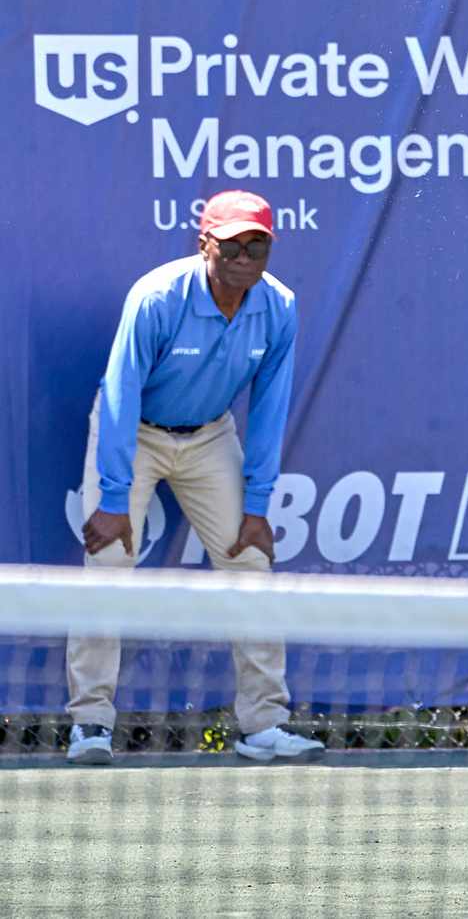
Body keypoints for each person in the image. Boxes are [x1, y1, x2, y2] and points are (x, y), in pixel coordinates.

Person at [66, 190, 324, 765]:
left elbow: (270, 408)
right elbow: (120, 393)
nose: (244, 257)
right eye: (232, 245)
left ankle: (263, 724)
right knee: (107, 566)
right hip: (134, 431)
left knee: (250, 562)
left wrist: (257, 506)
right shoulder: (157, 297)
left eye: (257, 246)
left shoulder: (279, 307)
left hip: (210, 436)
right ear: (205, 244)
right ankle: (90, 723)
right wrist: (113, 497)